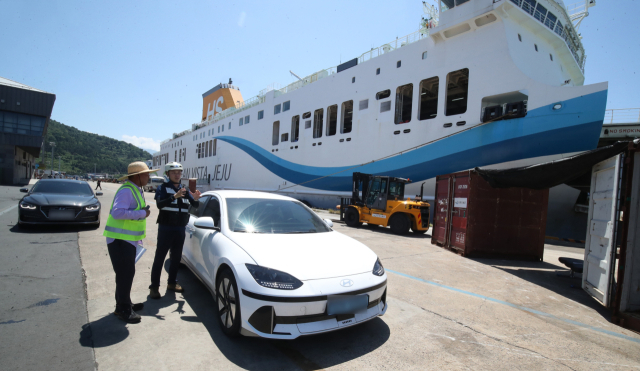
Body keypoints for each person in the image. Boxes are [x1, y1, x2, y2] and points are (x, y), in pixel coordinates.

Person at [103, 161, 156, 323]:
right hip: (120, 239)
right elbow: (118, 213)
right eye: (146, 174)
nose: (149, 177)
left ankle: (124, 303)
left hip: (126, 239)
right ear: (137, 176)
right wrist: (142, 213)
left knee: (125, 273)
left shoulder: (135, 189)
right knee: (125, 274)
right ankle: (123, 309)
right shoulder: (127, 190)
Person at [149, 162, 201, 299]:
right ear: (168, 174)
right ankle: (154, 287)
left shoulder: (184, 189)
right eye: (174, 172)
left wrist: (195, 199)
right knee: (160, 257)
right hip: (166, 228)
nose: (177, 175)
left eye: (179, 172)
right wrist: (174, 197)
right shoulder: (162, 188)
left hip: (180, 228)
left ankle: (172, 283)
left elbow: (194, 205)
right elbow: (160, 205)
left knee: (176, 258)